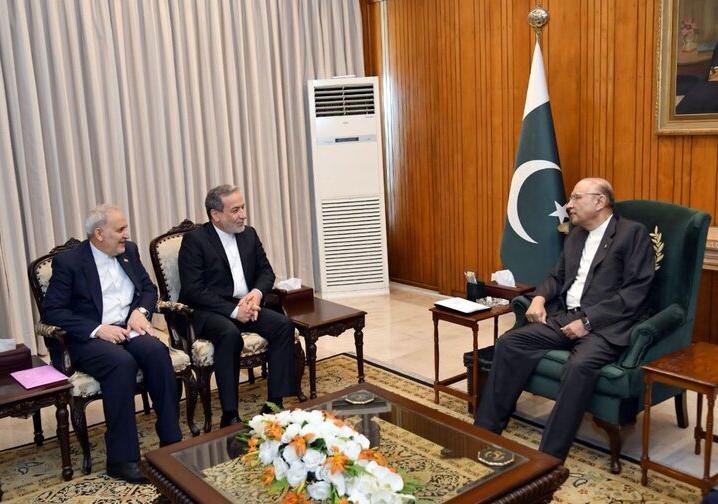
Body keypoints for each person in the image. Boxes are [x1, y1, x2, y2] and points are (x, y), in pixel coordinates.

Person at [474, 177, 655, 461]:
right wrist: (539, 298)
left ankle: (549, 458)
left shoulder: (632, 234)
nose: (569, 205)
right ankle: (483, 434)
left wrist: (588, 321)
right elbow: (556, 277)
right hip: (565, 317)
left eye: (576, 198)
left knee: (578, 366)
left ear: (600, 201)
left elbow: (635, 293)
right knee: (510, 343)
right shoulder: (576, 235)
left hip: (604, 326)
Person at [43, 205, 182, 484]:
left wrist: (140, 312)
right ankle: (121, 459)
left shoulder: (128, 251)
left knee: (157, 352)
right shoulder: (69, 262)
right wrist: (98, 329)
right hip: (90, 338)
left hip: (128, 328)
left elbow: (148, 289)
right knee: (121, 364)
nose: (126, 234)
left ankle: (171, 442)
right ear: (98, 233)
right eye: (120, 229)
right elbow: (52, 311)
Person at [178, 184, 296, 427]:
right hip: (210, 309)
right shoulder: (195, 241)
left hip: (246, 304)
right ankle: (229, 414)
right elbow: (193, 290)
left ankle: (275, 403)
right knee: (229, 334)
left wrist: (256, 293)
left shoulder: (249, 234)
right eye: (235, 210)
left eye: (243, 207)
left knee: (283, 325)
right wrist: (234, 311)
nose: (243, 214)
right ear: (215, 215)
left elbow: (266, 272)